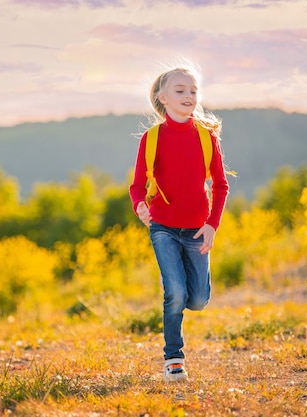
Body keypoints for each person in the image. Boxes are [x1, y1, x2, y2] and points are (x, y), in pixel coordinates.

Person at [129, 65, 230, 382]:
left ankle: (186, 294)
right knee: (174, 292)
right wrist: (141, 206)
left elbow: (221, 185)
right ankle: (174, 359)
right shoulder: (152, 138)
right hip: (163, 227)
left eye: (193, 91)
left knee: (197, 299)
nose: (189, 96)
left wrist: (212, 225)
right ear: (163, 98)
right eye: (181, 90)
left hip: (198, 228)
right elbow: (136, 187)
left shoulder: (206, 138)